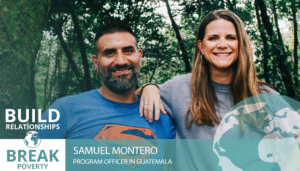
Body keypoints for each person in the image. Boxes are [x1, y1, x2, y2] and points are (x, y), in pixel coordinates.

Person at [138, 9, 276, 138]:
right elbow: (127, 101)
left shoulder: (265, 95)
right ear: (201, 46)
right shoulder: (178, 88)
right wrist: (148, 87)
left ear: (241, 44)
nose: (222, 44)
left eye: (230, 38)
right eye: (213, 38)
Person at [37, 21, 175, 139]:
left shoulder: (162, 117)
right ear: (96, 62)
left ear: (139, 56)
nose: (120, 61)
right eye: (109, 53)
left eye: (128, 51)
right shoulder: (64, 110)